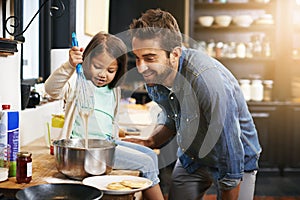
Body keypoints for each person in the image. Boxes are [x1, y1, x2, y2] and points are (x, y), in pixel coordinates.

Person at [123, 9, 262, 200]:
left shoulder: (206, 81)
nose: (140, 67)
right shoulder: (156, 76)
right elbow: (172, 116)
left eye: (149, 58)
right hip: (194, 156)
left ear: (175, 54)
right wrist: (150, 142)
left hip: (236, 159)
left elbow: (230, 147)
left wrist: (231, 181)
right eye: (137, 58)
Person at [44, 32, 164, 200]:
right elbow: (51, 90)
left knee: (150, 155)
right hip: (84, 151)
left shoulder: (113, 90)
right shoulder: (77, 83)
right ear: (86, 60)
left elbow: (108, 121)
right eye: (97, 66)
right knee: (146, 163)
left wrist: (117, 135)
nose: (103, 74)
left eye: (110, 70)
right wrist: (69, 66)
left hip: (107, 145)